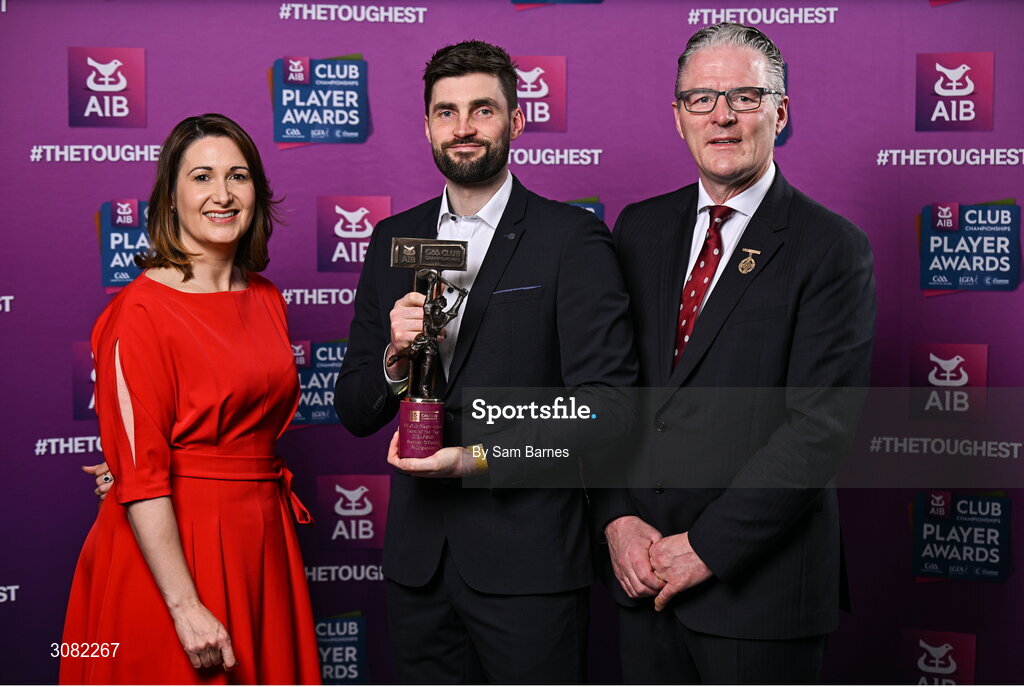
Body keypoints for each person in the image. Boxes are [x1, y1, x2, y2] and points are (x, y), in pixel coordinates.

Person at [334, 41, 637, 683]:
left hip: (528, 568)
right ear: (426, 126)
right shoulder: (395, 240)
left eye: (482, 110)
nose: (463, 128)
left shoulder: (571, 240)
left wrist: (477, 458)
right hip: (419, 571)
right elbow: (354, 410)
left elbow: (607, 409)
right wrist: (392, 360)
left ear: (516, 120)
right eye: (446, 112)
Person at [592, 23, 876, 684]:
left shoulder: (832, 247)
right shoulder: (638, 228)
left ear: (780, 111)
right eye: (702, 99)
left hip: (762, 597)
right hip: (642, 579)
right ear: (678, 117)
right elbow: (608, 390)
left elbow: (819, 429)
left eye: (745, 97)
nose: (722, 116)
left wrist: (707, 548)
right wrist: (615, 518)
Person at [61, 114, 320, 684]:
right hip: (176, 553)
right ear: (171, 198)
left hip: (263, 540)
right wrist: (185, 607)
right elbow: (144, 473)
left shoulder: (266, 297)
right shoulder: (141, 311)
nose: (223, 195)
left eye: (239, 176)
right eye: (201, 177)